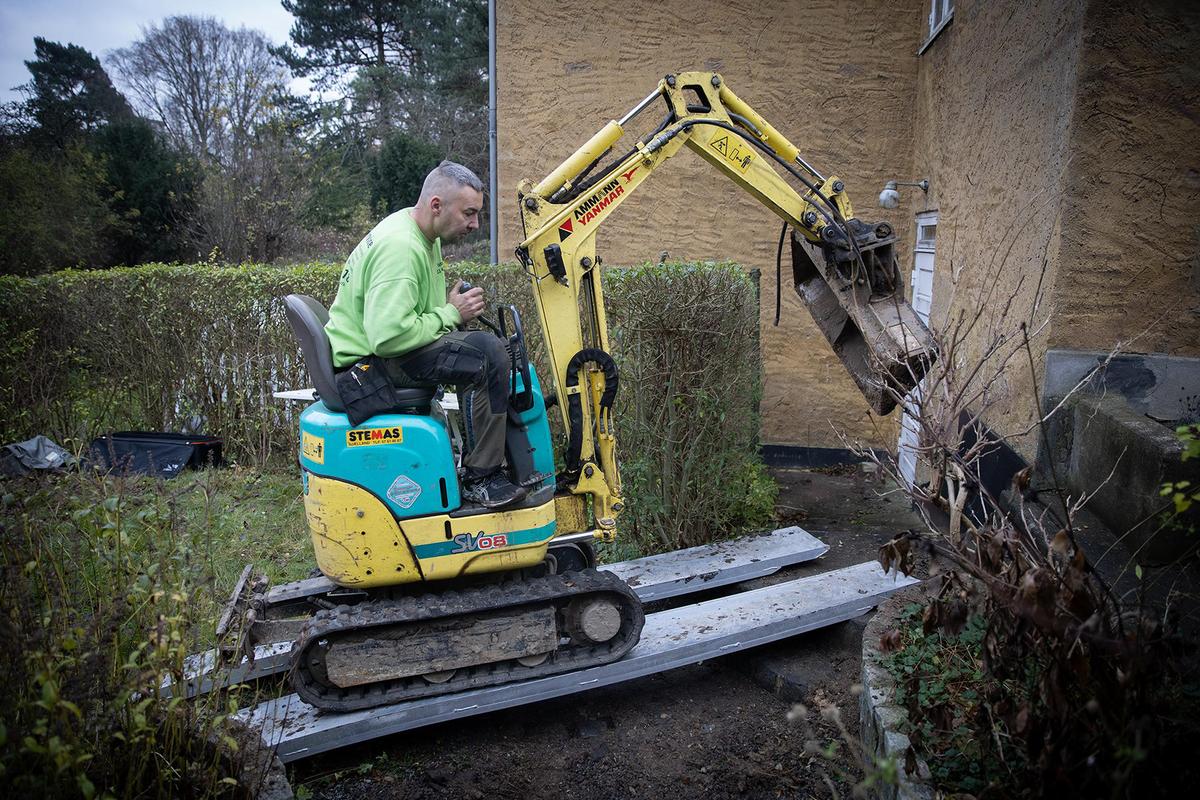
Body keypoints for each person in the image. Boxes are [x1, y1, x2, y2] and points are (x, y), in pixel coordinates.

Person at [324, 161, 527, 509]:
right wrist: (451, 313)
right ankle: (483, 479)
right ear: (437, 205)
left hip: (382, 353)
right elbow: (387, 337)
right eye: (469, 213)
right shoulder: (401, 248)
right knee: (491, 355)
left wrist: (448, 311)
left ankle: (473, 463)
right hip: (373, 366)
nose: (475, 224)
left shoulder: (420, 234)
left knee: (479, 350)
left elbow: (411, 315)